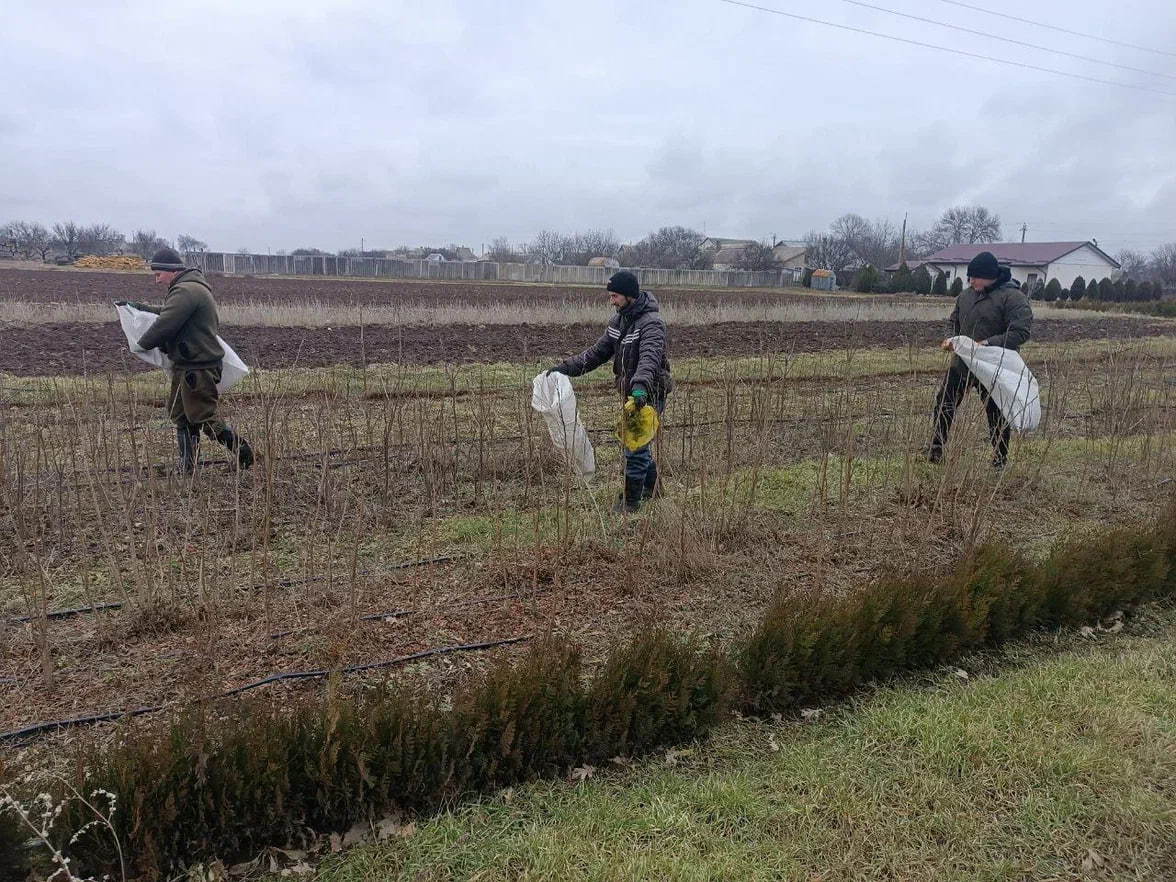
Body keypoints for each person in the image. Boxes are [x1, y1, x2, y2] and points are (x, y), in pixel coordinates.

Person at [117, 247, 253, 474]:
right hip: (188, 365)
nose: (157, 280)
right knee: (181, 416)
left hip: (197, 368)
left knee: (203, 417)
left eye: (158, 274)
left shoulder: (186, 291)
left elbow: (166, 323)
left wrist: (142, 345)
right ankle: (188, 467)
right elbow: (168, 312)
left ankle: (245, 454)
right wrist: (139, 308)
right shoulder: (189, 288)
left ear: (172, 270)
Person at [548, 270, 672, 512]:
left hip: (648, 393)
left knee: (634, 446)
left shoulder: (652, 324)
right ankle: (653, 489)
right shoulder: (619, 322)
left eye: (615, 296)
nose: (611, 301)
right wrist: (564, 368)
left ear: (629, 295)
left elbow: (649, 359)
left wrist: (640, 388)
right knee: (639, 443)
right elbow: (596, 353)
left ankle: (629, 503)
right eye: (610, 296)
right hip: (632, 393)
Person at [927, 251, 1033, 468]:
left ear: (990, 276)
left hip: (993, 367)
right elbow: (955, 322)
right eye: (970, 276)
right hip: (962, 364)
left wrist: (987, 343)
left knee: (996, 412)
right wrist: (951, 340)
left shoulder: (1013, 298)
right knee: (944, 404)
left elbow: (1020, 332)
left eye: (975, 277)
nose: (971, 281)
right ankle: (935, 449)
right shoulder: (966, 296)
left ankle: (1000, 458)